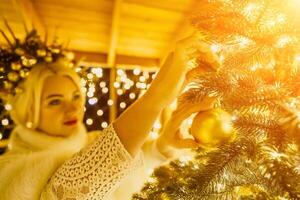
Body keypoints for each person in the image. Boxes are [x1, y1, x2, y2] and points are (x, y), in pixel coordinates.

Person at [0, 34, 219, 200]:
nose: (72, 109)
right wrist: (156, 97)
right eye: (54, 101)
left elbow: (128, 168)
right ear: (28, 110)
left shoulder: (91, 141)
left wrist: (162, 145)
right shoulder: (9, 172)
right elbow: (68, 190)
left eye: (76, 96)